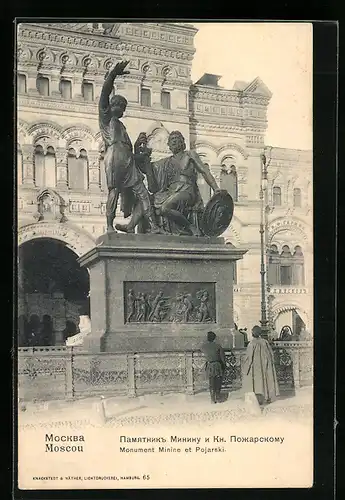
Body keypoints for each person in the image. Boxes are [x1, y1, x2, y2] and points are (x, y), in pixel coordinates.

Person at [116, 130, 221, 235]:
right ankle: (130, 226)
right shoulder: (166, 162)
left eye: (176, 139)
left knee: (165, 208)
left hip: (187, 191)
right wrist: (138, 147)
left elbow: (204, 171)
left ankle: (190, 227)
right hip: (170, 192)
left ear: (182, 142)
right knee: (145, 199)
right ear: (169, 145)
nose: (174, 142)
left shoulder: (189, 155)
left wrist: (216, 188)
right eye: (171, 140)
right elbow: (146, 168)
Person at [98, 61, 160, 234]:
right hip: (115, 157)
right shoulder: (105, 118)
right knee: (114, 191)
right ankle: (110, 226)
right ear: (111, 106)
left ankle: (154, 226)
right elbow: (104, 93)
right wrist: (112, 75)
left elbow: (129, 149)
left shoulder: (121, 126)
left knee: (142, 191)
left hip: (127, 159)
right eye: (119, 105)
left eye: (124, 107)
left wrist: (138, 144)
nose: (122, 110)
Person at [242, 325, 280, 405]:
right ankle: (267, 397)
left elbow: (248, 357)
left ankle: (259, 399)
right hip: (265, 364)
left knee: (257, 383)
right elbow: (270, 353)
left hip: (256, 366)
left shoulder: (251, 344)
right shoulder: (264, 342)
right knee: (266, 380)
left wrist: (246, 368)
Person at [201, 331, 226, 404]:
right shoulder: (218, 346)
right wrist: (224, 366)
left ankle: (212, 399)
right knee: (218, 382)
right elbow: (222, 358)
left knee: (211, 382)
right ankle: (218, 397)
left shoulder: (204, 346)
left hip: (210, 365)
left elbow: (202, 349)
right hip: (217, 365)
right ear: (214, 338)